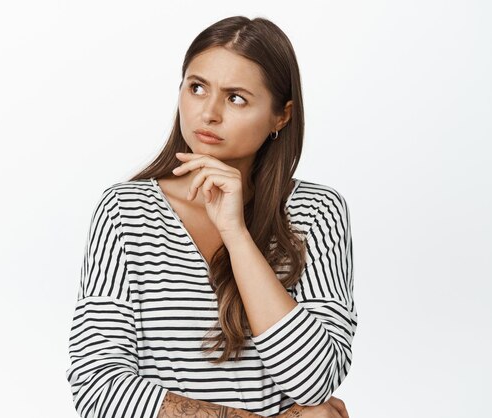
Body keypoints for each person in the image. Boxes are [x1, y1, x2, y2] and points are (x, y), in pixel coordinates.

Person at [65, 15, 356, 418]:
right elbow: (98, 388)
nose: (209, 113)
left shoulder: (317, 211)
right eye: (197, 88)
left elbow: (315, 380)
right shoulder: (125, 211)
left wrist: (235, 234)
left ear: (281, 116)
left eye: (236, 98)